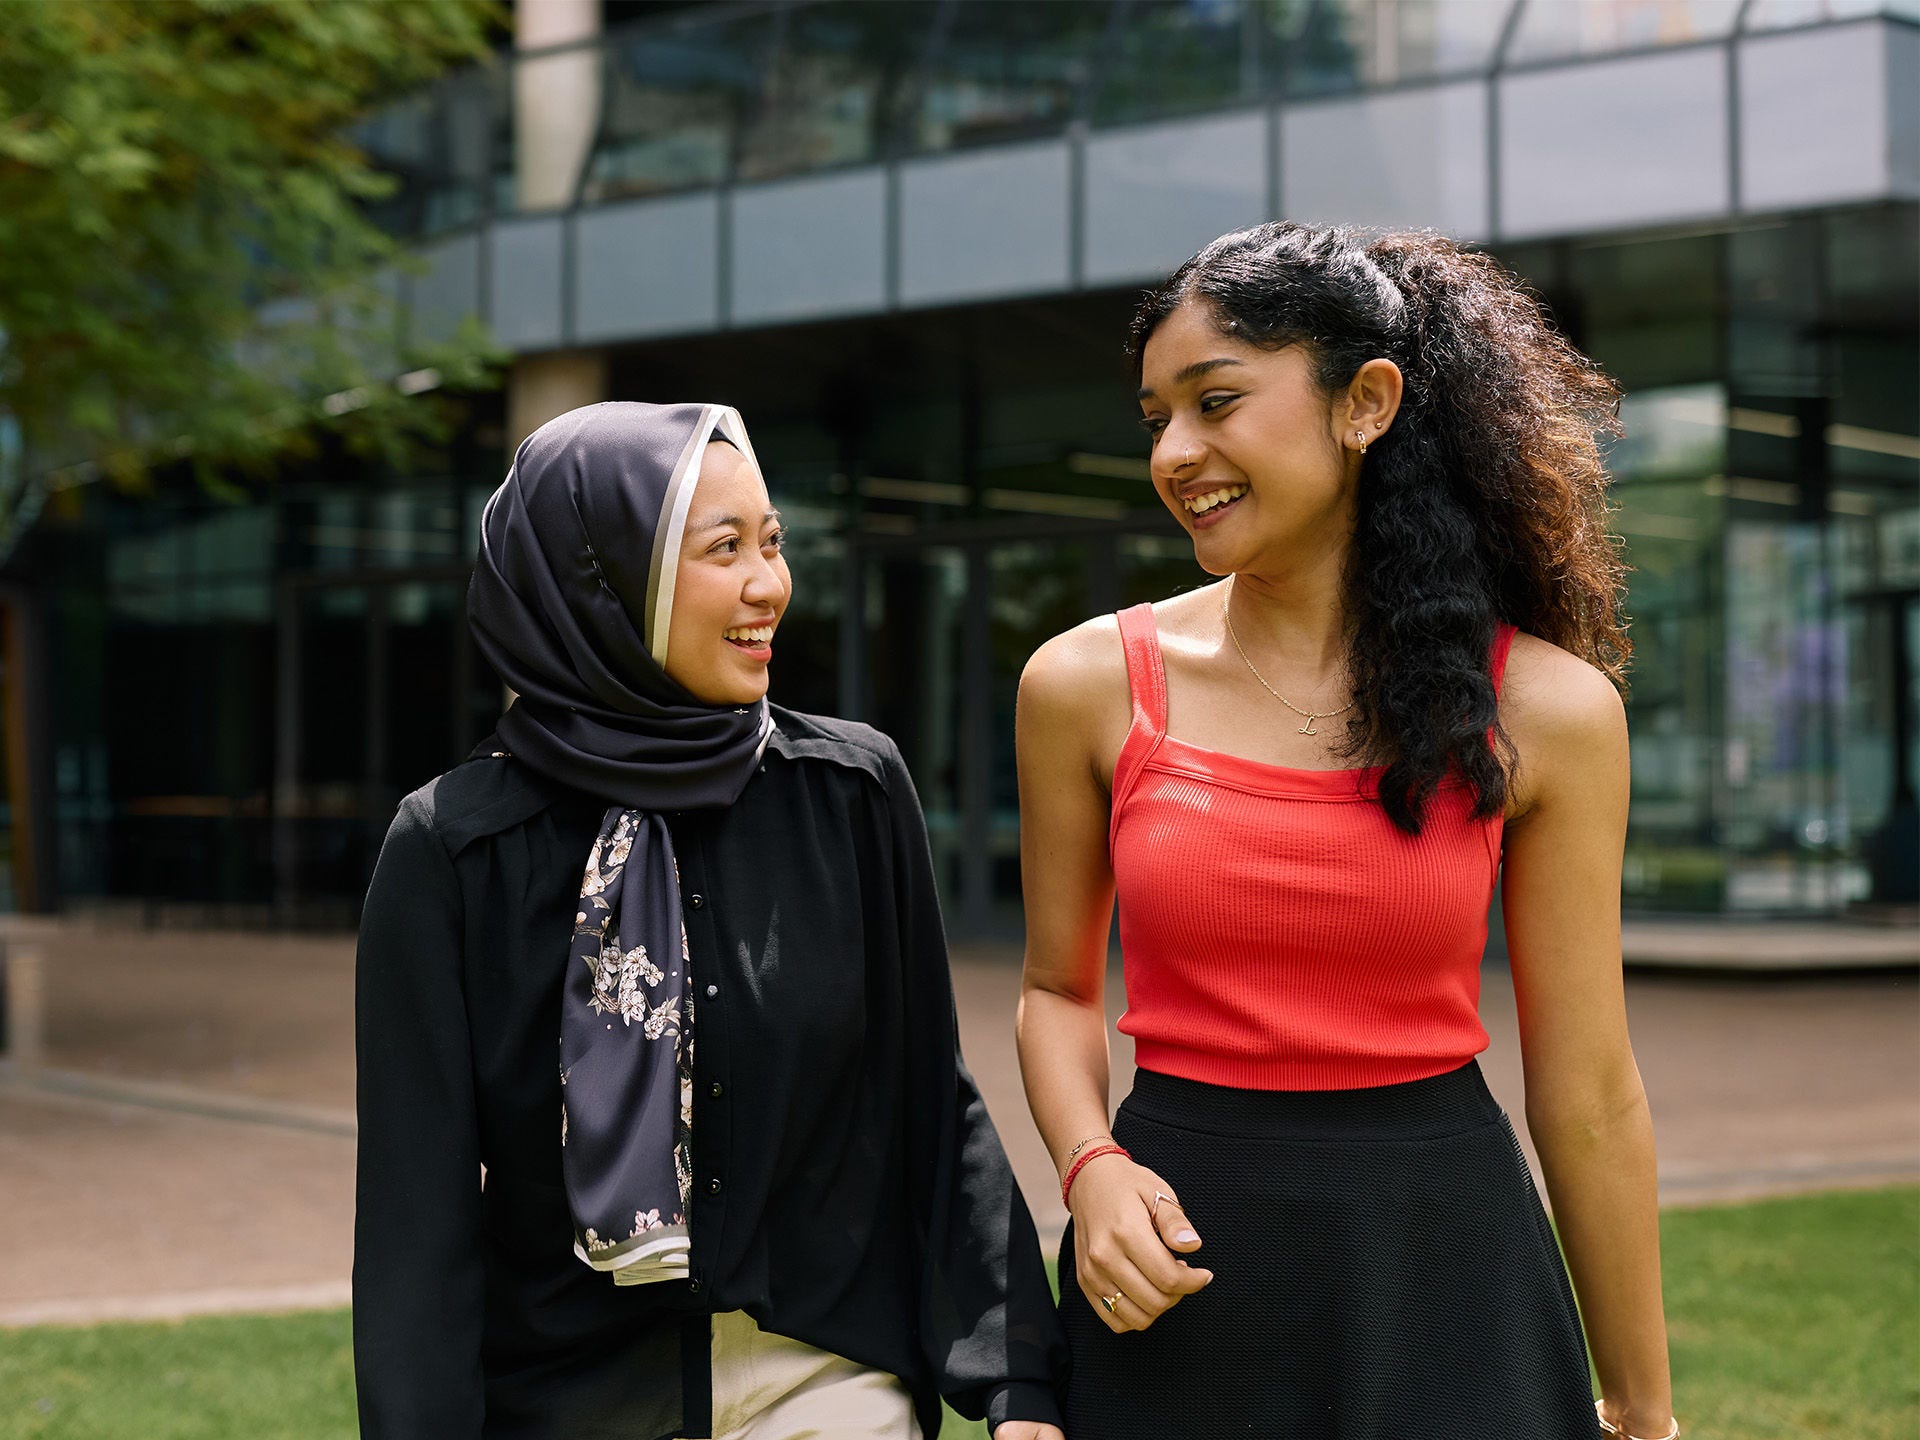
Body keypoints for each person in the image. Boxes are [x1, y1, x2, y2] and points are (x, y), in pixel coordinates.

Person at [1014, 223, 1677, 1440]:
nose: (1175, 453)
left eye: (1216, 401)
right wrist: (1087, 1167)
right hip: (1180, 1269)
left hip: (1445, 1269)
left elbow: (1587, 1092)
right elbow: (1056, 991)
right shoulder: (1087, 683)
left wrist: (1642, 1408)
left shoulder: (1549, 713)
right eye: (1156, 415)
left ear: (1366, 403)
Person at [354, 401, 1065, 1440]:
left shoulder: (850, 791)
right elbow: (419, 1216)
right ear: (598, 578)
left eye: (773, 543)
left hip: (829, 1385)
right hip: (568, 1402)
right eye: (722, 548)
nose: (769, 584)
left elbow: (927, 1101)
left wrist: (1018, 1384)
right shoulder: (457, 850)